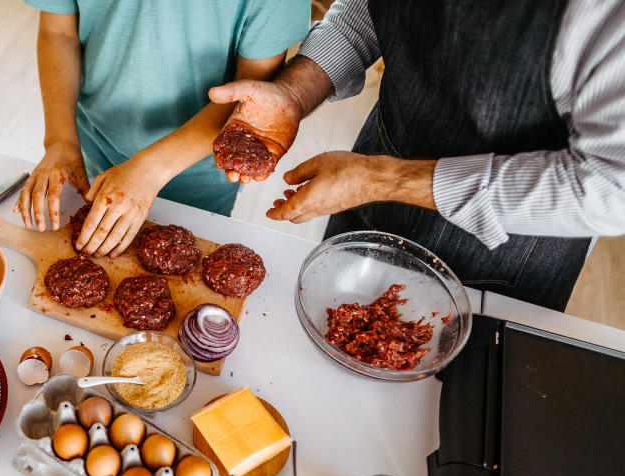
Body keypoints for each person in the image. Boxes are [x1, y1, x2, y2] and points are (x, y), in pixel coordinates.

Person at [208, 0, 625, 311]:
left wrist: (380, 179)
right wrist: (295, 92)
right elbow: (373, 12)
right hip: (376, 167)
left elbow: (612, 188)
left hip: (506, 249)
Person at [13, 1, 311, 258]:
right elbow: (58, 33)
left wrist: (149, 170)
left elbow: (251, 100)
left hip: (198, 171)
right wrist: (60, 141)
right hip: (95, 143)